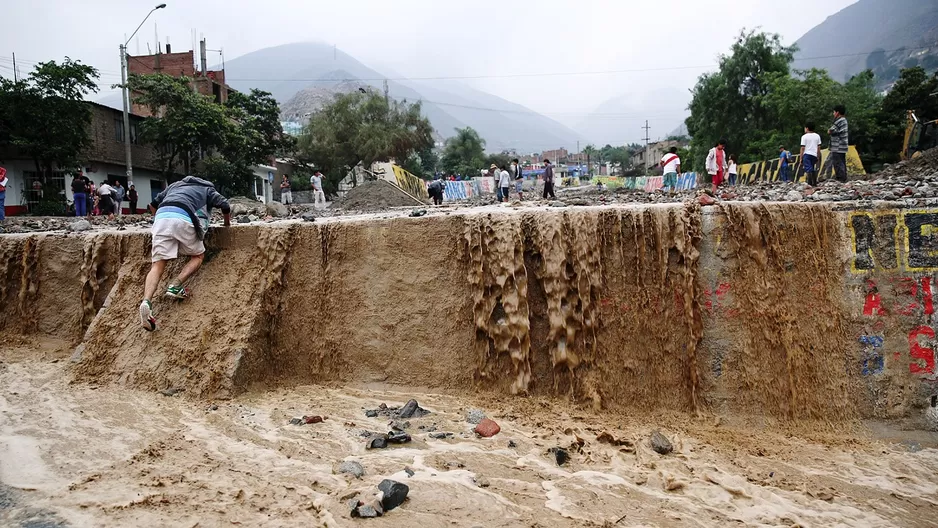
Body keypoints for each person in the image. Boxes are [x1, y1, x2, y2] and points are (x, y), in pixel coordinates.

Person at [138, 176, 231, 331]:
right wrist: (227, 223)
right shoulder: (207, 189)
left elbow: (153, 204)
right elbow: (225, 205)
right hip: (184, 217)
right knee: (198, 256)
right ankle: (175, 285)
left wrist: (160, 219)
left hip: (161, 219)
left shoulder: (174, 186)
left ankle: (146, 301)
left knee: (158, 265)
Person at [829, 104, 849, 183]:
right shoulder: (844, 120)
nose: (833, 114)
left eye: (834, 112)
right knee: (841, 161)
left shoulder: (839, 121)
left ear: (837, 112)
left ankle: (841, 178)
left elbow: (831, 130)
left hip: (838, 146)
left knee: (837, 162)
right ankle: (843, 177)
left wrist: (829, 131)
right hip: (842, 146)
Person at [800, 122, 823, 187]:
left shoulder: (804, 137)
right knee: (812, 167)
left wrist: (801, 157)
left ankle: (810, 183)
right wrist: (818, 156)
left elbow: (802, 148)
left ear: (807, 128)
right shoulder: (817, 136)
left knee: (808, 169)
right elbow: (818, 147)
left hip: (807, 154)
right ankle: (814, 183)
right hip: (814, 154)